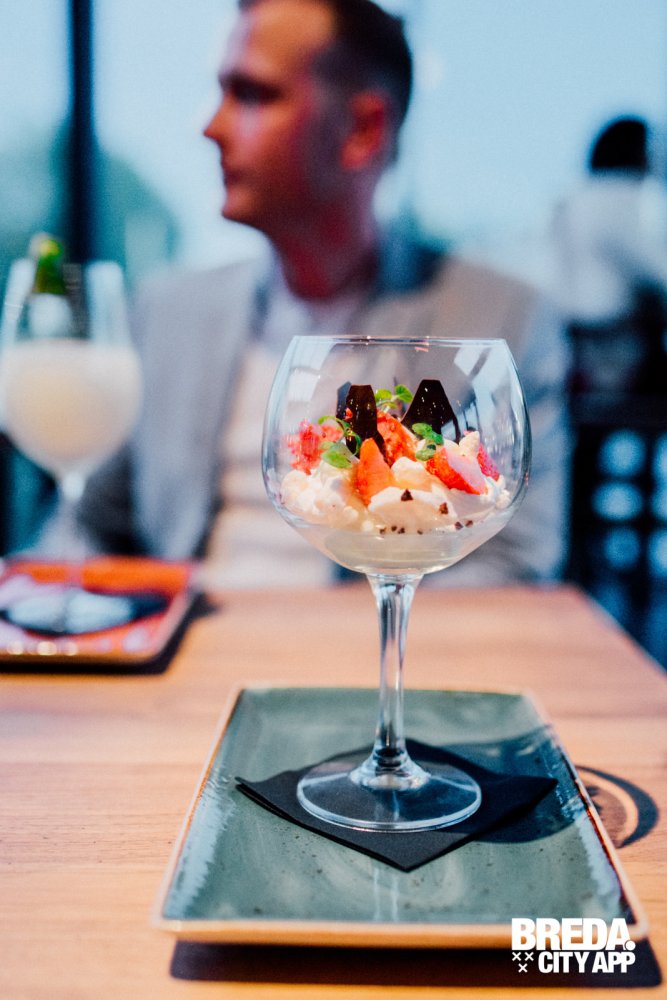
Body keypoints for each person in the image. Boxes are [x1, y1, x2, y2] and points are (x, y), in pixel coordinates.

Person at [69, 0, 570, 588]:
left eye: (252, 94)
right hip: (190, 635)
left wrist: (362, 626)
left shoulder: (500, 318)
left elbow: (514, 562)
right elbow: (86, 527)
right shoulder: (167, 313)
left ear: (363, 130)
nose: (211, 127)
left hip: (376, 639)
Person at [550, 115, 667, 391]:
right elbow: (655, 269)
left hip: (575, 338)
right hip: (613, 342)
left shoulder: (574, 198)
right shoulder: (618, 196)